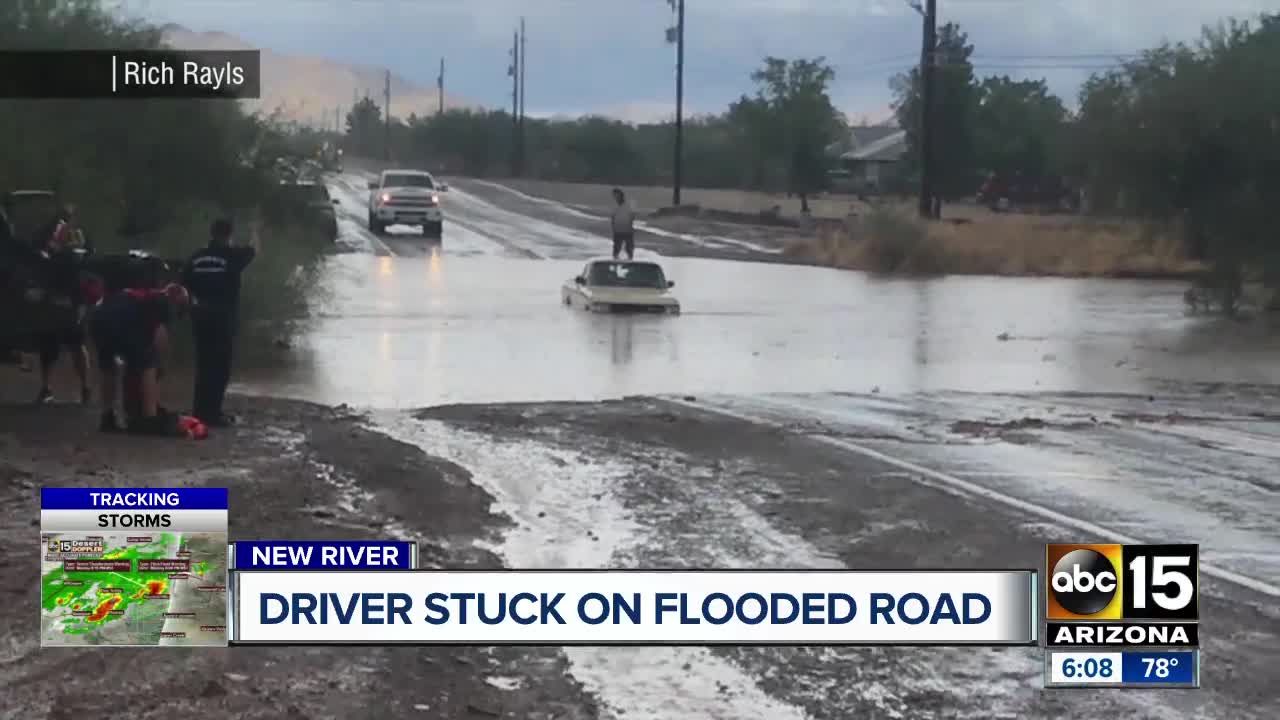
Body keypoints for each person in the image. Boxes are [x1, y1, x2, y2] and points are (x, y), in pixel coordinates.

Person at [182, 218, 257, 427]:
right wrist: (255, 230)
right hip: (223, 319)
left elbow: (184, 286)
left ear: (211, 233)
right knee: (220, 367)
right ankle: (213, 413)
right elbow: (253, 250)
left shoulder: (196, 258)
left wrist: (191, 308)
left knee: (203, 364)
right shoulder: (232, 256)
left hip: (200, 319)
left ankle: (199, 411)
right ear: (229, 234)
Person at [90, 283, 189, 434]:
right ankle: (150, 419)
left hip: (98, 316)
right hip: (123, 319)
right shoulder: (164, 301)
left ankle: (107, 417)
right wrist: (158, 366)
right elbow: (160, 338)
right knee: (150, 363)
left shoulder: (143, 294)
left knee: (108, 367)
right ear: (177, 299)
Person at [33, 206, 91, 404]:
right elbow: (40, 257)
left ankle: (85, 387)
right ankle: (47, 387)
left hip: (72, 295)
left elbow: (84, 260)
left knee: (75, 342)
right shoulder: (47, 233)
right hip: (54, 294)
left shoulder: (79, 234)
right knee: (50, 342)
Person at [609, 188, 635, 260]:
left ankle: (630, 260)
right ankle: (615, 259)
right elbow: (613, 218)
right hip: (617, 230)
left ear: (621, 195)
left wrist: (631, 227)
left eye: (617, 195)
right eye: (614, 195)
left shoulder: (629, 204)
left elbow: (632, 216)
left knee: (629, 248)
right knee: (616, 248)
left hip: (628, 230)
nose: (615, 197)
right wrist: (613, 228)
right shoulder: (614, 205)